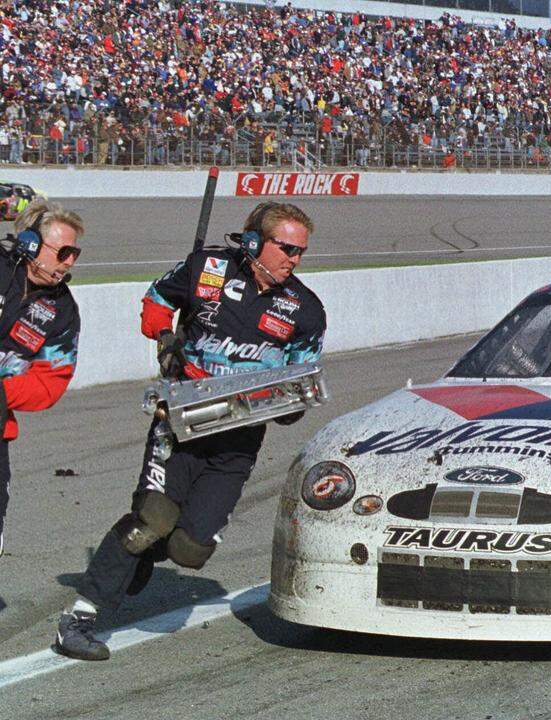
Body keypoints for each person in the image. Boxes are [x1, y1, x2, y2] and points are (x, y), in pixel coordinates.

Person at [53, 202, 327, 661]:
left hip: (237, 444)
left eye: (300, 252)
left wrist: (290, 405)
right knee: (151, 520)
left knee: (189, 550)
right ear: (256, 242)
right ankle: (79, 617)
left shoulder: (305, 310)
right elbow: (156, 300)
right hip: (178, 425)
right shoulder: (208, 268)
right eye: (286, 248)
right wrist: (164, 337)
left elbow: (301, 381)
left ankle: (138, 558)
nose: (293, 260)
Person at [0, 201, 83, 555]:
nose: (69, 262)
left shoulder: (63, 311)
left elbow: (50, 383)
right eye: (63, 252)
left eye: (74, 254)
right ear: (31, 244)